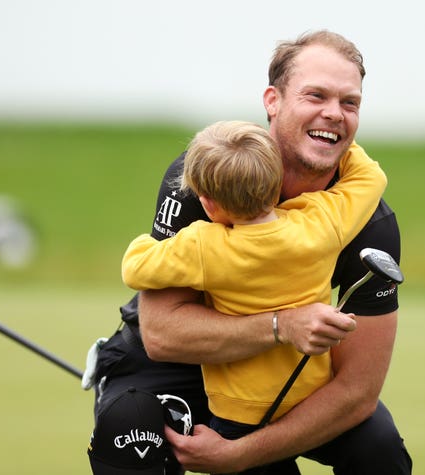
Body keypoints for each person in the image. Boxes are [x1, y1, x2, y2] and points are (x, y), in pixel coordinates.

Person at [91, 29, 412, 474]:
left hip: (286, 377)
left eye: (349, 102)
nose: (333, 113)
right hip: (183, 362)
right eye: (315, 95)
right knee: (130, 430)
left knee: (378, 449)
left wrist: (236, 455)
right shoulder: (207, 172)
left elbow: (357, 391)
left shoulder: (369, 221)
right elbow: (163, 334)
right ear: (272, 100)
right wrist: (282, 324)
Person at [121, 119, 387, 435]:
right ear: (277, 189)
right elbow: (371, 177)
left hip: (236, 412)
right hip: (307, 395)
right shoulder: (320, 223)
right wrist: (334, 141)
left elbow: (135, 267)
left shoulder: (204, 245)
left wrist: (149, 241)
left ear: (207, 203)